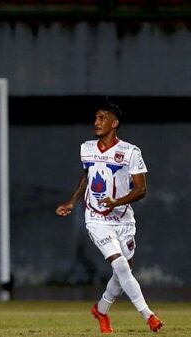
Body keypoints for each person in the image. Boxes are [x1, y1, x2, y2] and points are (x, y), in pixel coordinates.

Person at [55, 101, 164, 334]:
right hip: (96, 219)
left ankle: (101, 309)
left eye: (102, 118)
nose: (96, 122)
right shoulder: (87, 148)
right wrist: (72, 202)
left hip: (123, 220)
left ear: (114, 123)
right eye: (95, 118)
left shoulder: (131, 152)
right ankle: (148, 315)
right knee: (121, 266)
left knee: (122, 272)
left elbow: (141, 189)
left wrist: (117, 202)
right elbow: (86, 176)